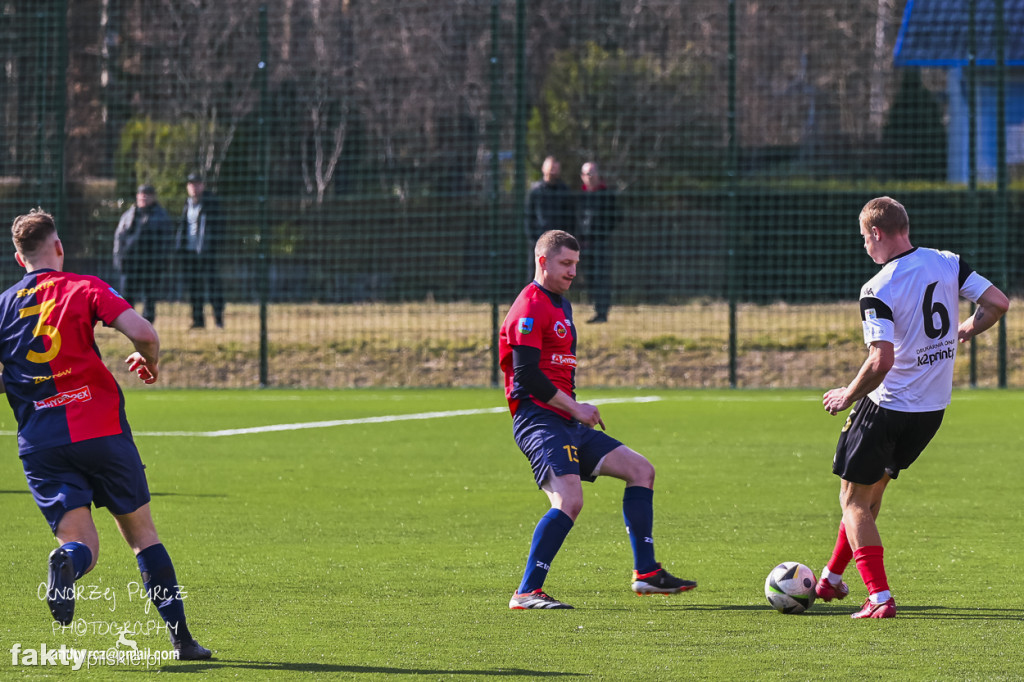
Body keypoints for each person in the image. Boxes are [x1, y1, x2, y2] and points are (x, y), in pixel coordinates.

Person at [1, 209, 212, 659]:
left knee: (83, 546)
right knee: (141, 535)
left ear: (19, 259)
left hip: (41, 443)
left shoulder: (3, 306)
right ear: (59, 247)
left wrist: (25, 384)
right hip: (101, 431)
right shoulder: (85, 286)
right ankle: (183, 641)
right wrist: (149, 363)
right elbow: (144, 334)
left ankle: (69, 560)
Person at [816, 197, 1008, 619]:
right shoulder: (947, 262)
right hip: (931, 411)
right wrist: (967, 328)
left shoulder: (877, 288)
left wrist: (847, 395)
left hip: (888, 407)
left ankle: (879, 597)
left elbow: (880, 360)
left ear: (876, 233)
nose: (864, 245)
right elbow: (998, 302)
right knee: (870, 495)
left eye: (864, 237)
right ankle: (830, 577)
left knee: (852, 500)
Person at [499, 229, 696, 609]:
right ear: (543, 261)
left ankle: (646, 573)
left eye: (576, 263)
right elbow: (526, 375)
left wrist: (573, 411)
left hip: (566, 420)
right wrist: (576, 408)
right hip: (539, 420)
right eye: (565, 263)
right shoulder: (529, 306)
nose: (573, 271)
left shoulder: (561, 304)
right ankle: (526, 592)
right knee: (568, 500)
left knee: (641, 470)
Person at [112, 184, 173, 324]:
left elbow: (166, 241)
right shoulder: (129, 215)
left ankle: (147, 323)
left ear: (153, 197)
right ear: (137, 196)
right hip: (130, 262)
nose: (144, 196)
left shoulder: (161, 216)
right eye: (141, 193)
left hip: (151, 263)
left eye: (147, 194)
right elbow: (119, 237)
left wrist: (162, 261)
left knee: (149, 296)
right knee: (127, 294)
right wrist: (118, 257)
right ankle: (128, 323)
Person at [176, 173, 225, 329]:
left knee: (213, 286)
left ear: (202, 185)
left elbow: (219, 227)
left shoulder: (211, 203)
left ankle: (218, 319)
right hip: (189, 253)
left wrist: (213, 246)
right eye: (191, 184)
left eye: (197, 184)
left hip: (207, 252)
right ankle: (198, 321)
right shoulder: (187, 204)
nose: (194, 187)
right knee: (194, 287)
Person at [577, 162, 618, 323]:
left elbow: (616, 217)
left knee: (602, 276)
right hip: (584, 243)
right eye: (587, 174)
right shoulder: (580, 197)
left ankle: (602, 312)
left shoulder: (607, 195)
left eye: (593, 173)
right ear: (582, 177)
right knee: (589, 276)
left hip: (601, 242)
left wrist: (603, 232)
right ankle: (595, 307)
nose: (590, 176)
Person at [524, 156, 574, 279]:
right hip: (539, 241)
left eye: (555, 168)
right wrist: (533, 239)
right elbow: (528, 217)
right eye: (550, 168)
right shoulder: (535, 191)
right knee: (536, 273)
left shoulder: (565, 191)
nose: (552, 171)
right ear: (543, 168)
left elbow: (570, 218)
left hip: (559, 243)